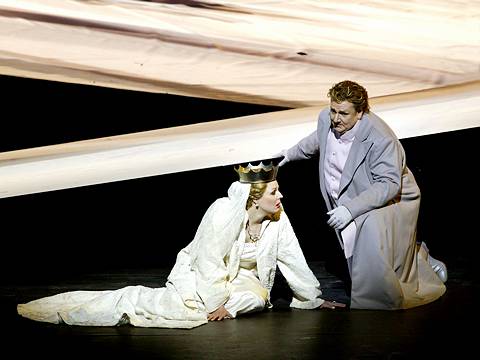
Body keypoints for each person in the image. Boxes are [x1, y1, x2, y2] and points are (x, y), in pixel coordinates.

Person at [17, 158, 343, 328]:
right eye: (274, 192)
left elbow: (292, 257)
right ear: (254, 198)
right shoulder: (222, 214)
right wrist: (215, 300)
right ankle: (89, 305)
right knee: (149, 303)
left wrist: (312, 297)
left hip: (241, 280)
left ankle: (228, 306)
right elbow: (208, 261)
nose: (281, 196)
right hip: (203, 276)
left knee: (257, 299)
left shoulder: (278, 217)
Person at [277, 80, 447, 310]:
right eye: (333, 110)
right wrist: (291, 153)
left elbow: (388, 183)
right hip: (355, 191)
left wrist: (350, 209)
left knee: (370, 239)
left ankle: (407, 276)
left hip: (391, 197)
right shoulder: (328, 119)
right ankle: (413, 260)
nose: (336, 118)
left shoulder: (380, 137)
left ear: (360, 113)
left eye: (343, 113)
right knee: (358, 252)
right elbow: (318, 138)